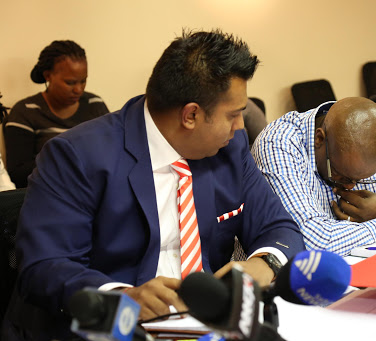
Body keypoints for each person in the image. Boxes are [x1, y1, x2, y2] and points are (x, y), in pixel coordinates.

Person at [3, 30, 305, 340]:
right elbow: (44, 266)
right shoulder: (77, 155)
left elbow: (280, 228)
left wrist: (262, 263)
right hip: (109, 329)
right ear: (191, 115)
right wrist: (123, 296)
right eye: (233, 115)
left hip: (207, 325)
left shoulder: (230, 148)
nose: (240, 126)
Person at [252, 97, 376, 256]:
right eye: (341, 175)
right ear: (319, 139)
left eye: (365, 178)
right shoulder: (279, 144)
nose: (350, 187)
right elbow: (310, 242)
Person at [3, 40, 109, 188]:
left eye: (83, 81)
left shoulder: (94, 104)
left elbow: (113, 151)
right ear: (48, 76)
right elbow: (18, 174)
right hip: (50, 194)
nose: (78, 89)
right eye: (70, 82)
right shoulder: (25, 112)